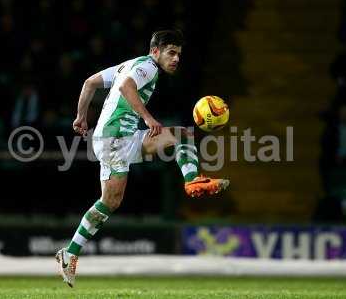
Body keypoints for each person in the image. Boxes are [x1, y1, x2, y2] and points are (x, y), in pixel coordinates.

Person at [55, 30, 229, 287]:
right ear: (155, 51)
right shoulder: (147, 67)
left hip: (117, 138)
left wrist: (81, 117)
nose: (176, 59)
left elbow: (90, 82)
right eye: (171, 52)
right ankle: (191, 179)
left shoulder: (130, 64)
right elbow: (126, 86)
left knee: (110, 201)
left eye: (179, 54)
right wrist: (148, 118)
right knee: (181, 136)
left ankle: (69, 253)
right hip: (116, 139)